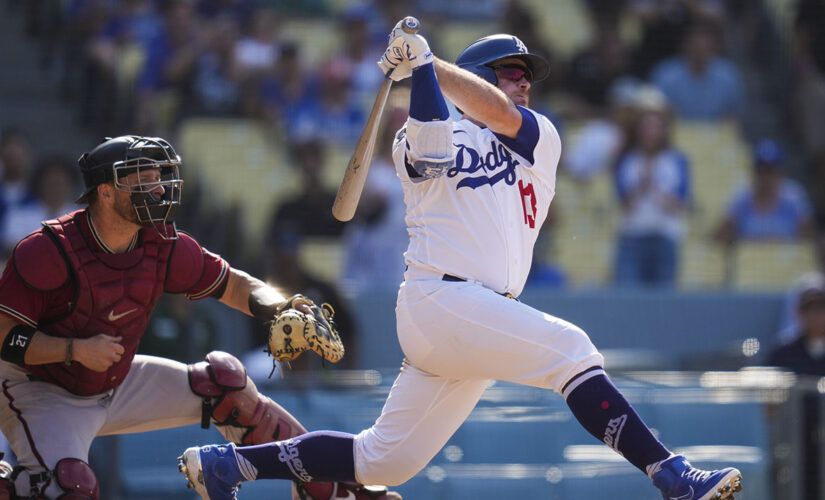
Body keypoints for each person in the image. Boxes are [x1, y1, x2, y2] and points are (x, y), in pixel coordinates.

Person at [178, 22, 743, 500]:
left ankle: (229, 466)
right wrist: (424, 73)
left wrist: (430, 63)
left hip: (475, 317)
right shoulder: (413, 138)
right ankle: (673, 476)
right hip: (439, 298)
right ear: (478, 74)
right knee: (572, 351)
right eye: (511, 69)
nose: (524, 81)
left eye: (528, 73)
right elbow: (430, 146)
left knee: (383, 463)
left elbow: (494, 109)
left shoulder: (541, 136)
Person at [0, 135, 397, 500]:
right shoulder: (47, 250)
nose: (158, 188)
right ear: (105, 192)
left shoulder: (162, 240)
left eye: (159, 177)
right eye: (144, 179)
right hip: (41, 386)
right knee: (70, 486)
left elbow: (232, 283)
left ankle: (331, 487)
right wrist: (74, 350)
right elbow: (5, 339)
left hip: (112, 378)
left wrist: (282, 305)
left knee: (227, 387)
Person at [613, 86, 691, 288]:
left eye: (656, 126)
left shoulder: (676, 161)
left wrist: (654, 188)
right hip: (633, 236)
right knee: (628, 296)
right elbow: (624, 204)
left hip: (665, 236)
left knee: (663, 301)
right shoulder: (627, 160)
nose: (651, 132)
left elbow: (679, 205)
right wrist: (641, 185)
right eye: (646, 126)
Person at [765, 276, 825, 500]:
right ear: (798, 312)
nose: (817, 315)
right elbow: (767, 399)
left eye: (822, 308)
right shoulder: (783, 352)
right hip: (792, 441)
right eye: (810, 309)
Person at [713, 139, 813, 246]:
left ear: (781, 172)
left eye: (771, 170)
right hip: (750, 261)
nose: (766, 177)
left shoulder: (794, 197)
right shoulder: (741, 197)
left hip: (786, 259)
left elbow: (807, 242)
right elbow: (720, 236)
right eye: (762, 170)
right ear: (754, 172)